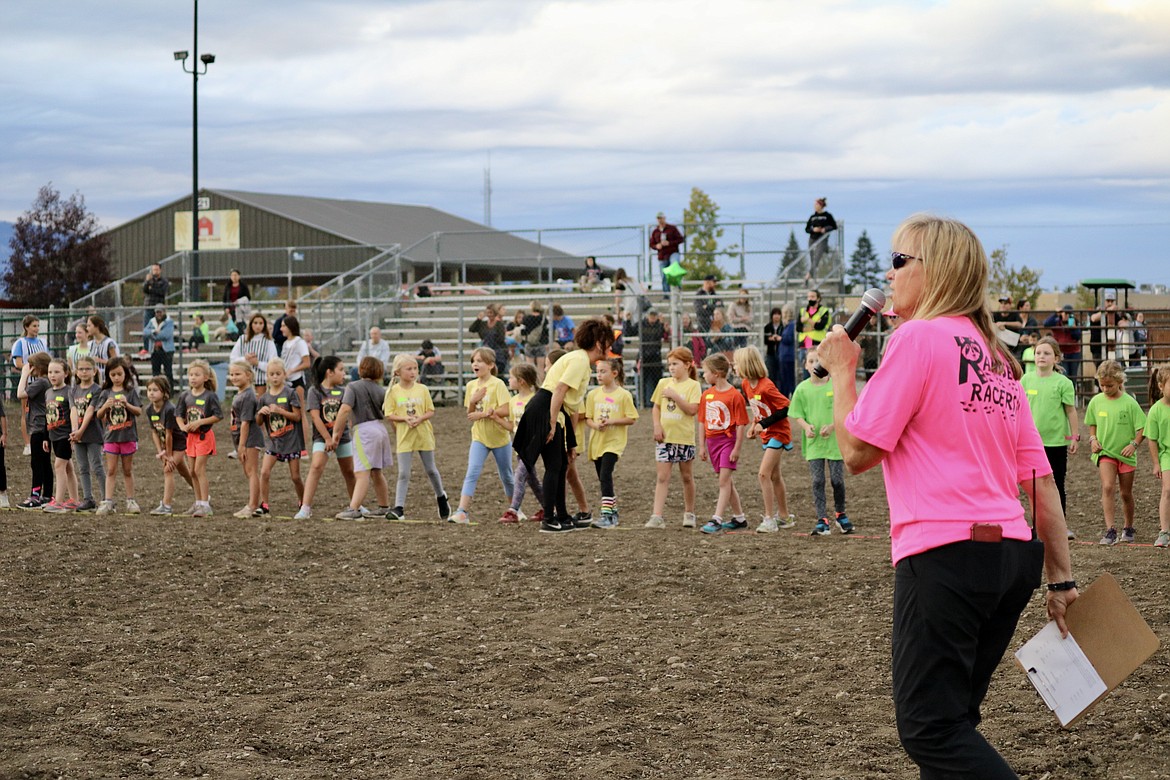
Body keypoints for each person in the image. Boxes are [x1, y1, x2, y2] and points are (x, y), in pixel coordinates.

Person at [815, 213, 1075, 779]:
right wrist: (1061, 579)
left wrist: (841, 374)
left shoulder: (918, 338)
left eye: (899, 261)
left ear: (935, 272)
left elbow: (857, 452)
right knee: (953, 721)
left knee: (930, 730)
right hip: (1011, 558)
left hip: (947, 554)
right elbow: (1038, 479)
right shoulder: (998, 359)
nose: (888, 273)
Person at [513, 319, 614, 533]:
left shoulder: (579, 360)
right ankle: (549, 518)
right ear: (598, 343)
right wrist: (550, 423)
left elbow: (567, 402)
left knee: (559, 466)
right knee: (554, 466)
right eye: (608, 342)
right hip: (546, 408)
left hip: (553, 410)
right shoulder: (579, 361)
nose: (610, 347)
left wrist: (569, 439)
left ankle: (562, 515)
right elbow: (558, 391)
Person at [734, 345, 799, 534]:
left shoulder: (766, 385)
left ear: (746, 365)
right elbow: (759, 410)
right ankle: (785, 517)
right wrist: (755, 426)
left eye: (737, 364)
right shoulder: (746, 384)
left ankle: (769, 519)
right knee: (775, 476)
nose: (734, 368)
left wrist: (765, 423)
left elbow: (787, 408)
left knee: (763, 474)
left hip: (778, 433)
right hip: (767, 433)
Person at [449, 347, 513, 525]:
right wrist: (472, 401)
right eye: (473, 361)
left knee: (506, 475)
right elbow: (470, 414)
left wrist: (484, 413)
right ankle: (462, 512)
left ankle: (515, 508)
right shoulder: (471, 386)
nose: (475, 364)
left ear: (491, 365)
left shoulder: (497, 384)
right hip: (479, 437)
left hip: (499, 438)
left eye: (479, 361)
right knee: (472, 472)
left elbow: (507, 409)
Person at [789, 349, 849, 536]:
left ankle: (840, 514)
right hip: (814, 443)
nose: (815, 363)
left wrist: (832, 426)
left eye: (818, 360)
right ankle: (822, 519)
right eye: (811, 360)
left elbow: (845, 412)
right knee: (817, 481)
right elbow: (796, 414)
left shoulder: (835, 386)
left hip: (834, 443)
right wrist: (806, 427)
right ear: (805, 365)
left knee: (837, 480)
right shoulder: (802, 389)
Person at [382, 354, 449, 522]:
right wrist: (404, 419)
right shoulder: (393, 392)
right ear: (398, 372)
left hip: (423, 435)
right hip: (405, 436)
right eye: (409, 369)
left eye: (415, 369)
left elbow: (430, 410)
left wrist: (419, 418)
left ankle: (441, 497)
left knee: (431, 470)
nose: (413, 372)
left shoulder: (422, 389)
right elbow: (389, 414)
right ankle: (399, 508)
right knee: (403, 473)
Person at [1087, 359, 1145, 546]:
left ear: (1120, 382)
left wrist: (1134, 445)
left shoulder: (1130, 403)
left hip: (1126, 455)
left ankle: (1128, 527)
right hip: (1106, 453)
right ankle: (1110, 529)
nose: (1105, 388)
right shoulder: (1096, 402)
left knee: (1125, 493)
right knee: (1107, 487)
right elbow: (1092, 423)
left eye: (1109, 385)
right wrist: (1093, 439)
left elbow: (1142, 427)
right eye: (1101, 385)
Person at [645, 347, 701, 529]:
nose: (671, 367)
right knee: (662, 477)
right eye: (669, 364)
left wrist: (675, 396)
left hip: (684, 438)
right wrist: (657, 426)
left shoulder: (693, 386)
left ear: (687, 365)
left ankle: (689, 513)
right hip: (665, 439)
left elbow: (692, 410)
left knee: (686, 476)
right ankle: (657, 516)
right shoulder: (663, 383)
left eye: (675, 364)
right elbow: (656, 407)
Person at [296, 356, 357, 521]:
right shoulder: (314, 392)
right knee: (316, 468)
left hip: (342, 438)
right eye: (341, 370)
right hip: (322, 439)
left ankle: (355, 506)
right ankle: (305, 507)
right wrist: (328, 439)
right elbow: (315, 418)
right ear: (329, 372)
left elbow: (345, 417)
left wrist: (336, 437)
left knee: (349, 472)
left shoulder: (344, 391)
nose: (344, 374)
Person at [331, 356, 392, 520]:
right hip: (380, 429)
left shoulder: (353, 386)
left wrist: (336, 433)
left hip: (364, 431)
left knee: (362, 472)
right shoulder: (381, 390)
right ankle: (384, 507)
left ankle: (354, 508)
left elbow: (344, 410)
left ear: (360, 370)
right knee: (376, 471)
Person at [697, 353, 749, 534]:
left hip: (727, 442)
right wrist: (702, 445)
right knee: (727, 482)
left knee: (723, 481)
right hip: (712, 443)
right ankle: (739, 518)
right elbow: (702, 421)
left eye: (705, 371)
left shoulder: (735, 395)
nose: (703, 375)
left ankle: (716, 519)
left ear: (717, 373)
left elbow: (741, 424)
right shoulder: (707, 395)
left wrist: (736, 448)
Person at [584, 358, 638, 528]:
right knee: (602, 478)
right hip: (597, 442)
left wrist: (612, 421)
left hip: (614, 443)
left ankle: (606, 516)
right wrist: (596, 425)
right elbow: (588, 418)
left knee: (606, 474)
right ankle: (613, 513)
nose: (599, 375)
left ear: (614, 373)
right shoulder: (593, 394)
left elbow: (631, 418)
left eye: (603, 371)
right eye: (597, 371)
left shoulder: (623, 395)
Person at [86, 356, 142, 516]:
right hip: (110, 438)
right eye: (113, 375)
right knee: (111, 470)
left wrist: (127, 405)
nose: (116, 378)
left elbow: (138, 411)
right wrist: (105, 406)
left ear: (125, 374)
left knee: (127, 470)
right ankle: (108, 500)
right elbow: (98, 415)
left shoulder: (130, 392)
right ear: (108, 376)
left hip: (128, 436)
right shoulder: (105, 393)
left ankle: (131, 500)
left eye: (119, 374)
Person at [256, 358, 305, 516]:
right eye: (271, 374)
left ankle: (304, 502)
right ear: (267, 377)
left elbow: (297, 417)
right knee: (264, 472)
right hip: (273, 442)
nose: (275, 377)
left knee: (295, 476)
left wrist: (280, 411)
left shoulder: (290, 393)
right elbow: (258, 422)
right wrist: (260, 413)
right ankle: (264, 505)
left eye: (278, 373)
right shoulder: (263, 398)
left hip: (291, 441)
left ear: (284, 375)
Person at [176, 360, 222, 517]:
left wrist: (200, 422)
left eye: (197, 374)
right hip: (191, 438)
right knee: (192, 472)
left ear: (206, 377)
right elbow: (179, 415)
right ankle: (198, 503)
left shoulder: (210, 396)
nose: (193, 378)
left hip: (204, 437)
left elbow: (218, 416)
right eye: (191, 375)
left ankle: (205, 505)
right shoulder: (185, 396)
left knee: (199, 470)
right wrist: (183, 426)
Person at [499, 363, 544, 524]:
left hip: (531, 445)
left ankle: (513, 510)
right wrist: (496, 418)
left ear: (521, 381)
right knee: (532, 480)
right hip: (520, 446)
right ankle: (548, 507)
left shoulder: (535, 399)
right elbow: (512, 426)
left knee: (519, 475)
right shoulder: (514, 401)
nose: (508, 380)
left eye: (511, 378)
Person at [144, 376, 193, 516]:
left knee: (168, 470)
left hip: (178, 444)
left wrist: (169, 456)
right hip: (167, 446)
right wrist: (161, 452)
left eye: (155, 390)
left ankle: (166, 505)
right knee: (184, 472)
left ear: (165, 392)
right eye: (149, 390)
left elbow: (169, 434)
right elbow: (154, 432)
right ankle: (201, 496)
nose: (151, 393)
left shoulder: (169, 409)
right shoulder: (149, 410)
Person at [40, 358, 79, 513]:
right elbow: (47, 415)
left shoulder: (69, 391)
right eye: (50, 372)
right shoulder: (48, 392)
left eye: (57, 372)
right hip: (53, 436)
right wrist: (45, 437)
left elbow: (73, 412)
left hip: (65, 436)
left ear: (66, 373)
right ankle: (75, 500)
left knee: (59, 465)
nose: (52, 375)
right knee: (68, 467)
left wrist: (74, 431)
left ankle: (59, 501)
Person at [67, 355, 105, 512]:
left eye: (87, 369)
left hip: (93, 434)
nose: (84, 372)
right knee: (82, 467)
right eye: (81, 369)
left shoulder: (97, 390)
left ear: (94, 371)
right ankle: (88, 498)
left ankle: (105, 498)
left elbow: (91, 412)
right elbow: (73, 410)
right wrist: (75, 432)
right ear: (76, 372)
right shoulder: (73, 390)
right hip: (78, 436)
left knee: (97, 466)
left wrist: (81, 431)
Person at [227, 361, 264, 518]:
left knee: (251, 471)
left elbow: (246, 423)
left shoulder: (248, 396)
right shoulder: (241, 394)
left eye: (238, 374)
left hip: (250, 439)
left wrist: (241, 446)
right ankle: (255, 503)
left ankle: (253, 505)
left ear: (248, 375)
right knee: (248, 472)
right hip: (242, 439)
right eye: (232, 374)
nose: (234, 377)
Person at [16, 353, 53, 507]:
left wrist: (24, 374)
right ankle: (47, 495)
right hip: (44, 426)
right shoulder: (46, 382)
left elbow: (20, 394)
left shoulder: (41, 382)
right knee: (44, 462)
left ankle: (35, 495)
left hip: (39, 427)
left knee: (37, 462)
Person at [12, 314, 49, 457]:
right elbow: (19, 363)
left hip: (42, 383)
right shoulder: (20, 343)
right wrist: (30, 370)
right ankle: (27, 443)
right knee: (26, 413)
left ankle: (43, 438)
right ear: (26, 327)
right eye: (34, 326)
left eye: (38, 326)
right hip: (29, 383)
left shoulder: (42, 342)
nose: (37, 328)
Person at [278, 315, 313, 450]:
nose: (281, 329)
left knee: (301, 413)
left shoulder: (300, 342)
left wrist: (292, 370)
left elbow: (306, 363)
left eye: (283, 326)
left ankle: (303, 446)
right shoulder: (286, 343)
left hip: (296, 380)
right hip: (286, 381)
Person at [1145, 365, 1170, 548]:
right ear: (1161, 386)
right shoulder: (1156, 410)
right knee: (1167, 490)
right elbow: (1152, 439)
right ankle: (1164, 531)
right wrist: (1156, 463)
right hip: (1167, 454)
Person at [230, 313, 278, 387]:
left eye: (260, 323)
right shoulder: (242, 339)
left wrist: (257, 363)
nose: (258, 326)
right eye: (255, 323)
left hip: (262, 381)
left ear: (264, 325)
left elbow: (273, 365)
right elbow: (233, 359)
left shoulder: (269, 342)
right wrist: (245, 359)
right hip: (244, 382)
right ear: (251, 324)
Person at [631, 308, 667, 408]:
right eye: (651, 315)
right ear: (647, 316)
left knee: (657, 382)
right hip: (644, 356)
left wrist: (661, 323)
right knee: (642, 382)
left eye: (654, 315)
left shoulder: (659, 325)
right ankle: (642, 404)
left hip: (655, 357)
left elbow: (660, 335)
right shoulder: (641, 323)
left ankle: (657, 404)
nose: (652, 317)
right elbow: (629, 331)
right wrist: (627, 320)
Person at [1042, 304, 1083, 382]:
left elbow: (1077, 337)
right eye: (1065, 313)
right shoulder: (1056, 321)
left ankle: (1072, 392)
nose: (1066, 315)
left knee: (1073, 376)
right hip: (1061, 352)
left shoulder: (1075, 322)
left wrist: (1073, 328)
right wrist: (1055, 314)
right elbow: (1046, 324)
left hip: (1074, 352)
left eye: (1069, 314)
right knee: (1064, 374)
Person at [469, 303, 509, 378]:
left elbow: (501, 338)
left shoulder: (499, 324)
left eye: (491, 313)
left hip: (497, 351)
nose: (489, 315)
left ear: (495, 313)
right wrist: (478, 319)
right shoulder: (483, 324)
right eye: (488, 313)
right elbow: (472, 329)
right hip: (486, 350)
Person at [649, 212, 684, 293]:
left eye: (661, 218)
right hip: (662, 256)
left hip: (673, 252)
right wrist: (656, 246)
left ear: (664, 218)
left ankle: (678, 288)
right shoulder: (655, 231)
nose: (660, 220)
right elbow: (651, 244)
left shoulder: (672, 228)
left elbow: (681, 239)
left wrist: (669, 243)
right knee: (664, 275)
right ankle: (667, 294)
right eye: (658, 218)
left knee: (674, 267)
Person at [797, 290, 831, 373]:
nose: (810, 299)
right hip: (804, 344)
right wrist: (813, 324)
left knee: (819, 369)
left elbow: (820, 326)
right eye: (808, 297)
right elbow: (798, 327)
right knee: (806, 369)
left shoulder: (824, 311)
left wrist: (807, 320)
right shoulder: (803, 311)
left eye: (812, 297)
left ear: (818, 298)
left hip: (818, 344)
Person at [142, 307, 176, 387]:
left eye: (160, 312)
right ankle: (156, 390)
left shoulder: (169, 321)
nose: (159, 314)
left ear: (164, 312)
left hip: (166, 351)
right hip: (155, 350)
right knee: (155, 373)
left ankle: (170, 392)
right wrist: (153, 331)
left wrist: (153, 336)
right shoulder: (152, 321)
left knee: (168, 372)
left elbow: (166, 335)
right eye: (157, 312)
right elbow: (145, 332)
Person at [141, 263, 170, 356]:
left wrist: (152, 287)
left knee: (160, 328)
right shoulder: (149, 280)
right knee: (147, 328)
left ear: (160, 270)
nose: (155, 272)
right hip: (148, 307)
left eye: (157, 270)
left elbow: (161, 292)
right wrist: (147, 282)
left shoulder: (164, 281)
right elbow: (145, 290)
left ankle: (161, 347)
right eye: (153, 270)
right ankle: (146, 348)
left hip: (159, 308)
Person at [805, 197, 837, 279]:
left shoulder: (827, 216)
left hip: (822, 239)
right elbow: (807, 229)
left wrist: (825, 229)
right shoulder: (812, 216)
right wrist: (813, 229)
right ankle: (813, 274)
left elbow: (834, 226)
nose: (815, 206)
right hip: (813, 238)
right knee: (812, 258)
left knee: (818, 256)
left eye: (817, 204)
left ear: (821, 206)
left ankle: (809, 275)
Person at [1088, 293, 1120, 363]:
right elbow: (1094, 318)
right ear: (1103, 301)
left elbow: (1121, 323)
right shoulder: (1096, 311)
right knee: (1100, 370)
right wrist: (1108, 311)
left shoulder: (1114, 314)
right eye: (1108, 301)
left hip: (1110, 347)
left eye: (1112, 301)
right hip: (1097, 347)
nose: (1110, 303)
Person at [763, 306, 784, 387]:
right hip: (770, 353)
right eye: (774, 314)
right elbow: (764, 340)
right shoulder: (767, 327)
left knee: (780, 374)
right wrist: (771, 339)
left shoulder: (783, 327)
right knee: (771, 373)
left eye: (778, 314)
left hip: (780, 353)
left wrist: (780, 339)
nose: (776, 316)